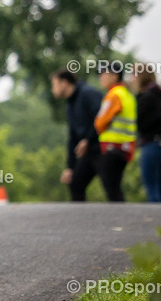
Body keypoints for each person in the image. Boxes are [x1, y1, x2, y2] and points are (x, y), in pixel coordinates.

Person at [51, 69, 104, 201]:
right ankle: (80, 220)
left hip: (103, 148)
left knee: (111, 188)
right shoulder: (70, 105)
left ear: (64, 83)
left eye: (54, 85)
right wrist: (70, 167)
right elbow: (73, 138)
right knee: (75, 183)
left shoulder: (87, 94)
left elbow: (101, 118)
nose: (53, 89)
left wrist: (88, 139)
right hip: (90, 150)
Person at [92, 63, 137, 202]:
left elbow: (99, 123)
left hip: (113, 148)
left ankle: (120, 219)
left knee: (112, 189)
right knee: (115, 188)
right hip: (125, 148)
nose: (100, 77)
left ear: (114, 76)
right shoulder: (127, 94)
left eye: (103, 73)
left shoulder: (114, 95)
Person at [132, 69, 161, 202]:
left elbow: (139, 123)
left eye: (133, 75)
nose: (132, 79)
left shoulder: (146, 97)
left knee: (152, 188)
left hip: (151, 145)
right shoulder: (158, 94)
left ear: (140, 77)